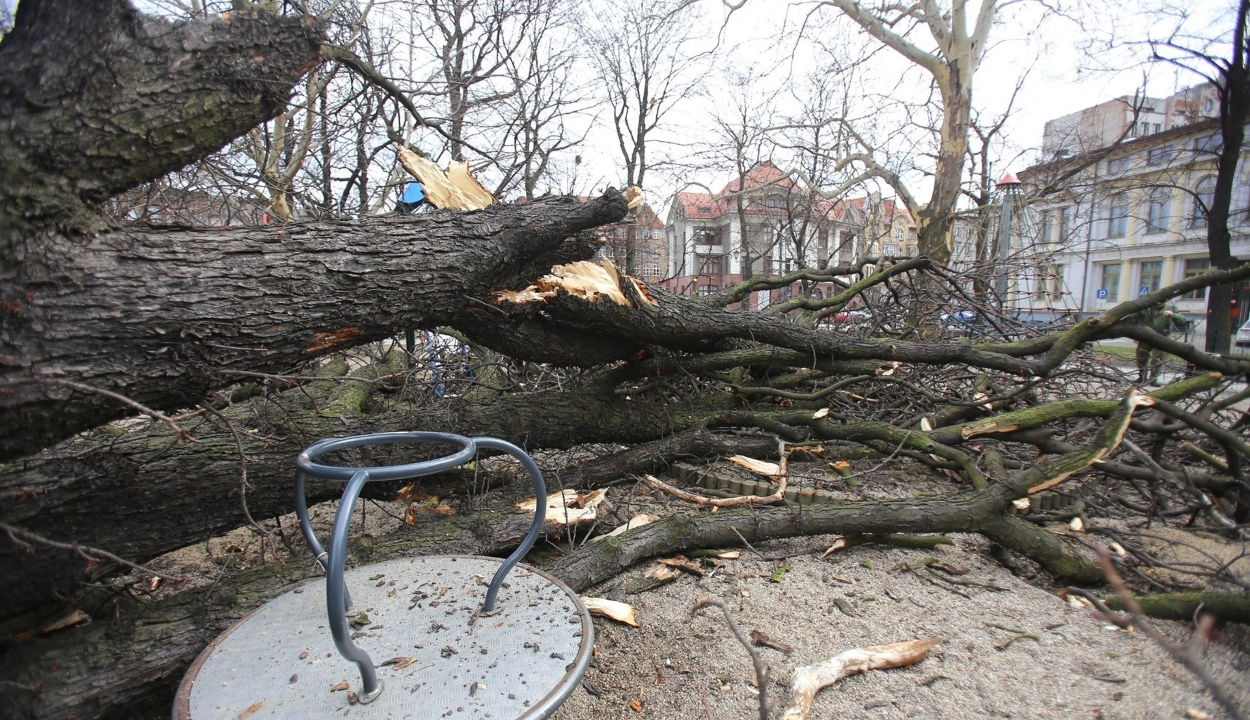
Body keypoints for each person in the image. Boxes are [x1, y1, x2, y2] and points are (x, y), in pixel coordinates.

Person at [1135, 301, 1188, 384]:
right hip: (1146, 336)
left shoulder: (1171, 308)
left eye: (1162, 301)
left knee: (1158, 358)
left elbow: (1182, 320)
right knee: (1141, 356)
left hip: (1162, 337)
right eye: (1158, 301)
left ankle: (1153, 379)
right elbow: (1135, 316)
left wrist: (1173, 315)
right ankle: (1142, 376)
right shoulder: (1146, 309)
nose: (1159, 303)